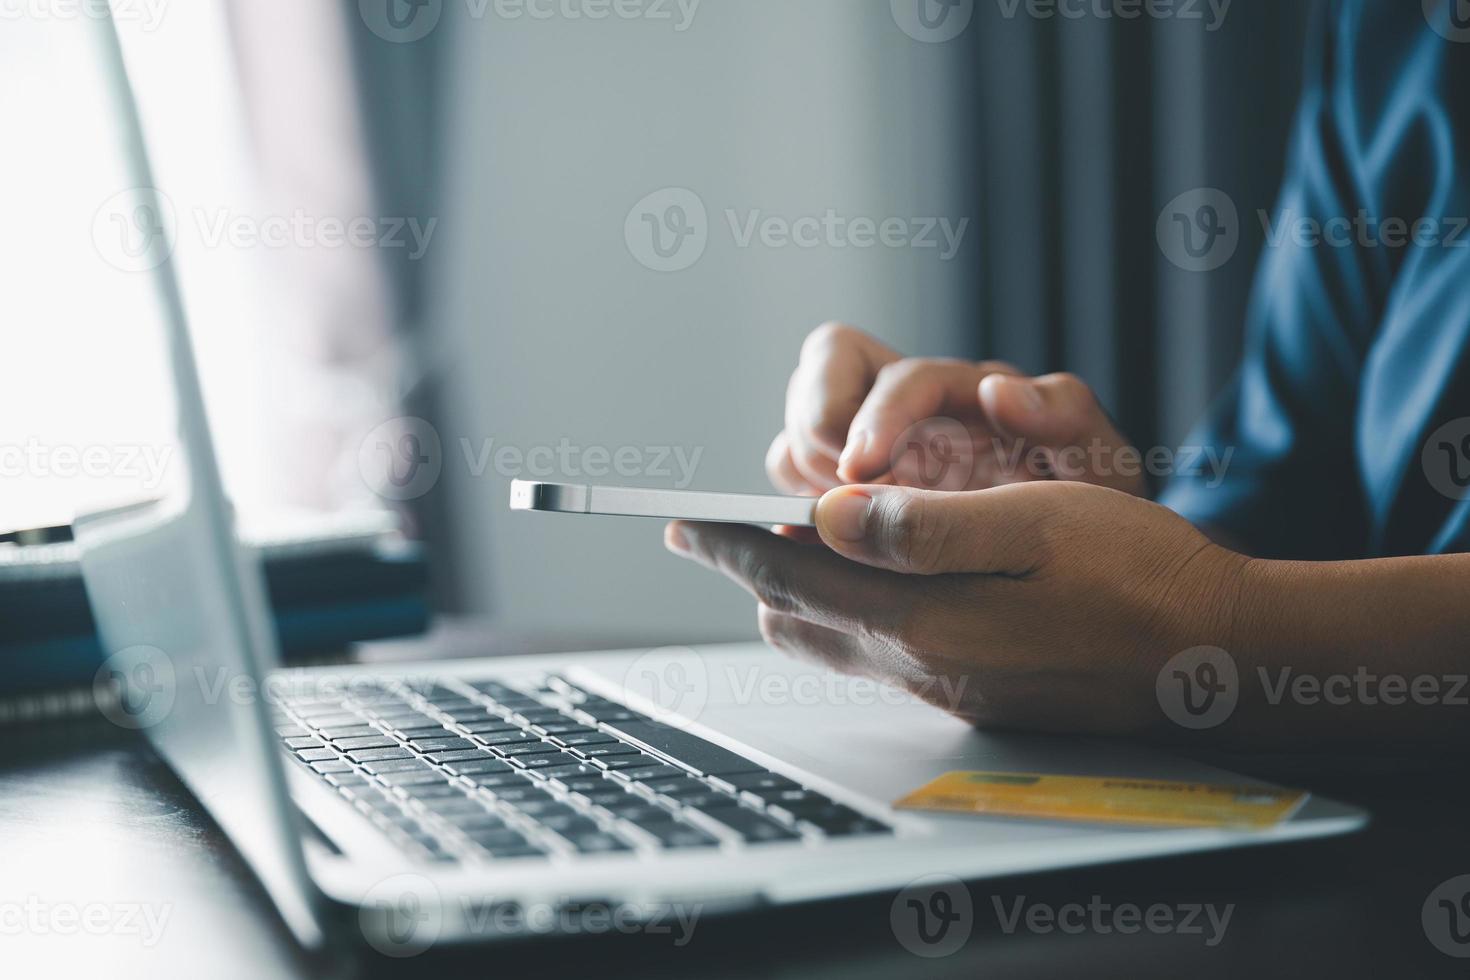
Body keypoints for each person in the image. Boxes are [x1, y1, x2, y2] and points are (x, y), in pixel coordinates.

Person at [665, 1, 1470, 746]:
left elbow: (1224, 605)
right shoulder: (1394, 28)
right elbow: (1291, 480)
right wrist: (1050, 521)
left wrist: (1211, 633)